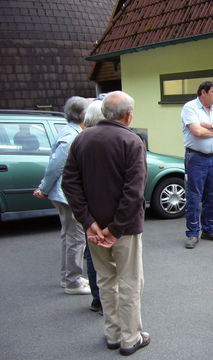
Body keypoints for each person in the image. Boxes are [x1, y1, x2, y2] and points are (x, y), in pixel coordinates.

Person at [62, 91, 150, 356]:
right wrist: (115, 228)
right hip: (123, 230)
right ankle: (130, 337)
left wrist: (89, 222)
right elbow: (134, 192)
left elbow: (70, 184)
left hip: (95, 229)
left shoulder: (82, 140)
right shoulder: (132, 141)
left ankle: (112, 334)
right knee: (130, 282)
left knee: (106, 281)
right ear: (128, 115)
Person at [33, 96, 91, 295]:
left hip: (62, 194)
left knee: (69, 236)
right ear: (83, 114)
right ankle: (72, 281)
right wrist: (44, 187)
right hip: (67, 195)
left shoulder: (70, 131)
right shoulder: (72, 137)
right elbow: (55, 167)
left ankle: (69, 276)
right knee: (75, 238)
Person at [181, 80, 213, 249]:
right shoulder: (190, 108)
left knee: (212, 195)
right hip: (196, 158)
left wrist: (211, 126)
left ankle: (208, 230)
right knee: (194, 197)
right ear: (203, 93)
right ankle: (192, 233)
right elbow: (197, 132)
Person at [82, 99, 106, 314]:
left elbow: (70, 182)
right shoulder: (109, 140)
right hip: (106, 214)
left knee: (91, 252)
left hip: (87, 212)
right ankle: (103, 299)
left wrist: (85, 218)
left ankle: (97, 298)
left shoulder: (79, 140)